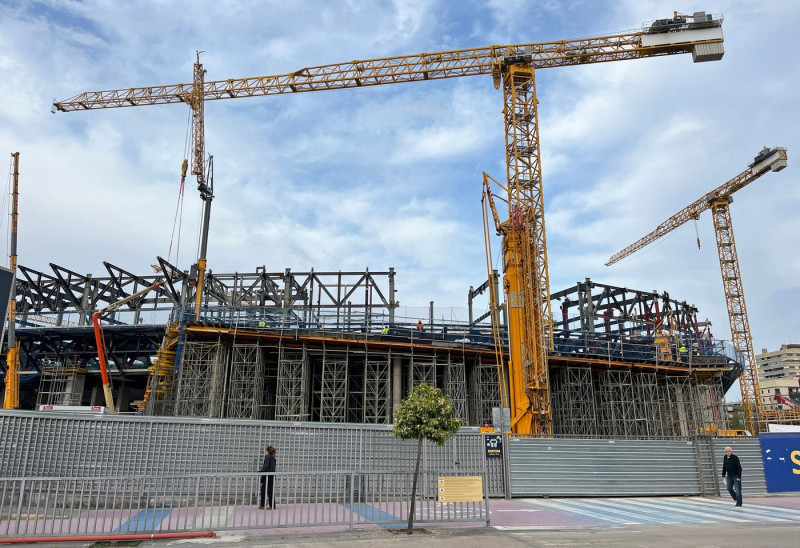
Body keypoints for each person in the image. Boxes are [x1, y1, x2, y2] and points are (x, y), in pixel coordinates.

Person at [259, 445, 277, 509]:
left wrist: (260, 471)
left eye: (265, 450)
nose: (265, 452)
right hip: (271, 476)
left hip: (267, 476)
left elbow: (266, 466)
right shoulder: (273, 458)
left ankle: (266, 505)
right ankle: (268, 505)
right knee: (269, 491)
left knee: (264, 490)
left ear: (267, 451)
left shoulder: (267, 457)